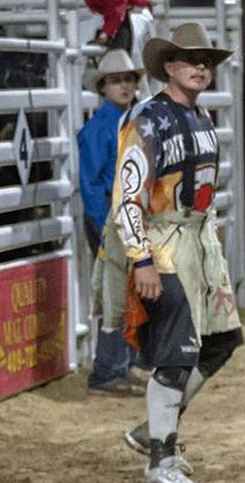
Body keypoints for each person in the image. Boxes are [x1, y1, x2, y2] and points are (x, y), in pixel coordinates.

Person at [113, 23, 242, 482]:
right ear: (169, 66)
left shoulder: (202, 118)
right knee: (177, 354)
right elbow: (127, 197)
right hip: (165, 244)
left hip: (198, 242)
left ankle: (155, 430)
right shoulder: (145, 118)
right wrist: (141, 258)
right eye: (191, 59)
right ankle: (161, 461)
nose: (201, 67)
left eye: (206, 61)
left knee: (222, 340)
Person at [78, 49, 146, 398]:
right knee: (114, 293)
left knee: (128, 291)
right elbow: (90, 185)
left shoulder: (132, 122)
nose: (124, 85)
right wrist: (103, 227)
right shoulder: (98, 130)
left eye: (129, 79)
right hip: (109, 217)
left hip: (127, 215)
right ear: (103, 87)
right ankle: (107, 371)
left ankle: (121, 365)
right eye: (117, 80)